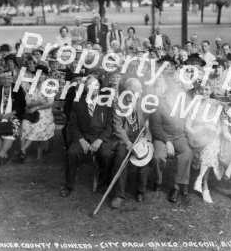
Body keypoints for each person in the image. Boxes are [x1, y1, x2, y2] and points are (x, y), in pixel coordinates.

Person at [186, 81, 231, 203]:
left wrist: (212, 136)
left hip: (213, 135)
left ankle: (200, 181)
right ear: (198, 90)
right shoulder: (194, 104)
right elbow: (187, 126)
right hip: (197, 135)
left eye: (207, 90)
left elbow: (220, 127)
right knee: (209, 150)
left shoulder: (217, 104)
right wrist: (196, 134)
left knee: (211, 148)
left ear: (211, 91)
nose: (204, 92)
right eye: (202, 89)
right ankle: (204, 186)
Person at [61, 76, 114, 197]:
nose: (93, 88)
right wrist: (81, 140)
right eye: (90, 85)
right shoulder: (78, 102)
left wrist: (99, 140)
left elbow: (110, 126)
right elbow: (72, 125)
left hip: (100, 137)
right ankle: (69, 186)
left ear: (99, 87)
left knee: (107, 155)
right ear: (86, 88)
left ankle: (103, 184)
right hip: (83, 136)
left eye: (96, 85)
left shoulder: (106, 102)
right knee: (71, 153)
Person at [150, 72, 193, 203]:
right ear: (169, 84)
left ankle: (177, 186)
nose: (180, 86)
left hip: (180, 136)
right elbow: (155, 126)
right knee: (158, 156)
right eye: (177, 83)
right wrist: (167, 141)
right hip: (163, 136)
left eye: (181, 83)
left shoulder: (184, 100)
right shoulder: (160, 101)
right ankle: (158, 180)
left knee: (187, 152)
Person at [110, 78, 152, 208]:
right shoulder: (118, 104)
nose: (138, 94)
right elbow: (117, 127)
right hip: (125, 139)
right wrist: (128, 142)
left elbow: (146, 122)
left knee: (144, 156)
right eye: (136, 91)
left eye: (139, 91)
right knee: (120, 157)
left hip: (139, 137)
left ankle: (141, 190)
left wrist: (146, 137)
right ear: (128, 90)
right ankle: (119, 194)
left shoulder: (141, 102)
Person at [0, 70, 26, 165]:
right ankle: (4, 154)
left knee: (12, 128)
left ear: (12, 79)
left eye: (9, 78)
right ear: (0, 80)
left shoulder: (18, 89)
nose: (6, 80)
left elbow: (21, 106)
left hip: (13, 116)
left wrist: (10, 114)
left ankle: (1, 154)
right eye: (4, 78)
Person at [20, 65, 55, 162]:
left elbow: (50, 103)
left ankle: (22, 149)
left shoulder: (50, 87)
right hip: (32, 112)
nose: (40, 76)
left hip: (45, 113)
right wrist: (39, 102)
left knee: (37, 125)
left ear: (46, 76)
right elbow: (27, 102)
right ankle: (23, 153)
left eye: (42, 74)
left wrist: (37, 106)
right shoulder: (31, 87)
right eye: (37, 74)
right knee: (25, 124)